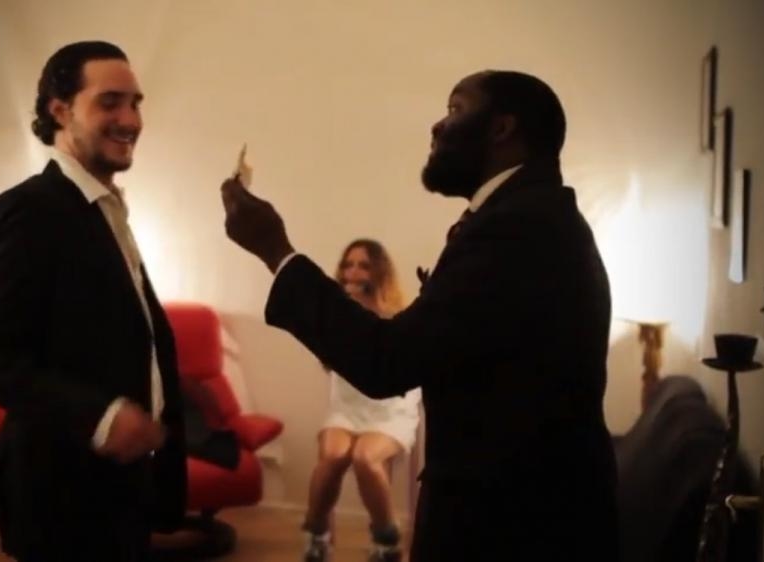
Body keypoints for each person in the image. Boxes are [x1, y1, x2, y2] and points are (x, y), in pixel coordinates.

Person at [220, 70, 618, 561]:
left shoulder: (517, 230)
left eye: (455, 109)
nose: (437, 126)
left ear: (501, 129)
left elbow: (386, 360)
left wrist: (275, 251)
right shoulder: (530, 216)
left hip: (510, 523)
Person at [0, 41, 186, 562]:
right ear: (60, 111)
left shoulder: (106, 210)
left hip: (119, 488)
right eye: (110, 102)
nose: (130, 119)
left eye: (135, 103)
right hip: (60, 495)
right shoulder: (27, 211)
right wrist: (101, 416)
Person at [303, 239, 420, 562]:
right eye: (348, 265)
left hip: (390, 412)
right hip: (346, 410)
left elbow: (404, 367)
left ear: (379, 273)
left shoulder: (398, 316)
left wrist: (373, 306)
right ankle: (317, 532)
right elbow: (326, 362)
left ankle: (386, 538)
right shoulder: (336, 316)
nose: (353, 272)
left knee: (365, 457)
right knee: (332, 455)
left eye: (363, 266)